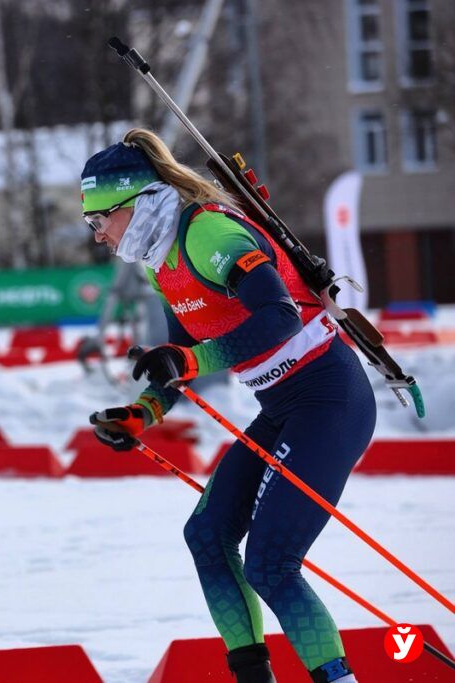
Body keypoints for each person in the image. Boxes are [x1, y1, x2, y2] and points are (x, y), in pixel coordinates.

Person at [81, 129, 375, 683]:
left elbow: (279, 317)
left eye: (101, 219)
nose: (98, 235)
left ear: (140, 203)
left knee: (271, 565)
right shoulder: (159, 259)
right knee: (207, 535)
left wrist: (186, 363)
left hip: (329, 401)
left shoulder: (207, 232)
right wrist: (142, 413)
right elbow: (182, 354)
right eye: (91, 224)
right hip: (285, 407)